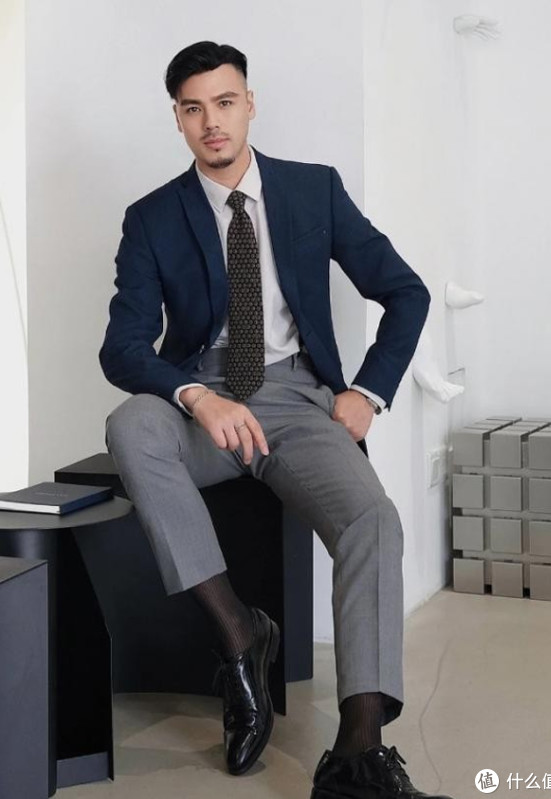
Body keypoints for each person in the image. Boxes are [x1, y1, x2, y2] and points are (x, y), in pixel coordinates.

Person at [99, 41, 452, 799]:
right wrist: (197, 397)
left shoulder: (311, 190)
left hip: (296, 398)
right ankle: (240, 633)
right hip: (202, 399)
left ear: (249, 104)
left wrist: (368, 392)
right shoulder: (152, 218)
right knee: (130, 425)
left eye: (225, 103)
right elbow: (122, 348)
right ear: (178, 119)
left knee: (372, 520)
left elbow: (406, 291)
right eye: (193, 109)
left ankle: (358, 753)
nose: (212, 122)